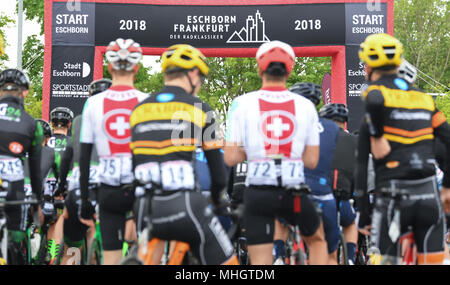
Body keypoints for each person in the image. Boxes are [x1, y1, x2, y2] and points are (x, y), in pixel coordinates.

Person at [129, 44, 238, 265]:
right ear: (194, 74)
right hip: (185, 204)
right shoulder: (200, 108)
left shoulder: (138, 110)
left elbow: (134, 164)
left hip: (144, 207)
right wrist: (219, 201)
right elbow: (218, 174)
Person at [224, 40, 328, 265]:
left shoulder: (240, 104)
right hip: (295, 195)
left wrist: (254, 152)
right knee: (318, 241)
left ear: (260, 68)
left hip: (258, 194)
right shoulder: (306, 106)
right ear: (289, 69)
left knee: (261, 260)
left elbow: (230, 157)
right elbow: (311, 161)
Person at [355, 33, 450, 265]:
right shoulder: (424, 99)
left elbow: (360, 162)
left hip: (392, 197)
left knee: (384, 260)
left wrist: (363, 211)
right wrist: (447, 186)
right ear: (398, 63)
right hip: (429, 194)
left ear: (367, 66)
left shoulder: (374, 92)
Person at [78, 38, 148, 265]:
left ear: (110, 67)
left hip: (107, 189)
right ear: (136, 68)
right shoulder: (146, 101)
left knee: (111, 258)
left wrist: (85, 199)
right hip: (140, 190)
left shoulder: (93, 104)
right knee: (147, 255)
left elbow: (85, 156)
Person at [283, 82, 342, 265]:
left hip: (291, 190)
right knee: (329, 252)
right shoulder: (333, 128)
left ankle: (276, 256)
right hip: (324, 194)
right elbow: (341, 164)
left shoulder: (286, 123)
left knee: (276, 227)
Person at [58, 78, 112, 265]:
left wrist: (60, 184)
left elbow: (67, 156)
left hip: (79, 184)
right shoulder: (118, 118)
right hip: (109, 183)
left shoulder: (80, 120)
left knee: (71, 247)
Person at [0, 68, 44, 264]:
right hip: (14, 193)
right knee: (16, 241)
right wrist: (37, 201)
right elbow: (35, 169)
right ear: (25, 92)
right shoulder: (31, 124)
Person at [319, 103, 358, 264]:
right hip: (344, 197)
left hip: (320, 197)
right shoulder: (354, 140)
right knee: (350, 223)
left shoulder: (319, 139)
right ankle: (349, 257)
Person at [43, 107, 73, 264]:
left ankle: (50, 251)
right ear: (69, 124)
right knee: (66, 219)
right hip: (67, 185)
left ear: (52, 123)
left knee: (51, 220)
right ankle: (62, 256)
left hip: (48, 186)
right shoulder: (73, 142)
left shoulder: (46, 142)